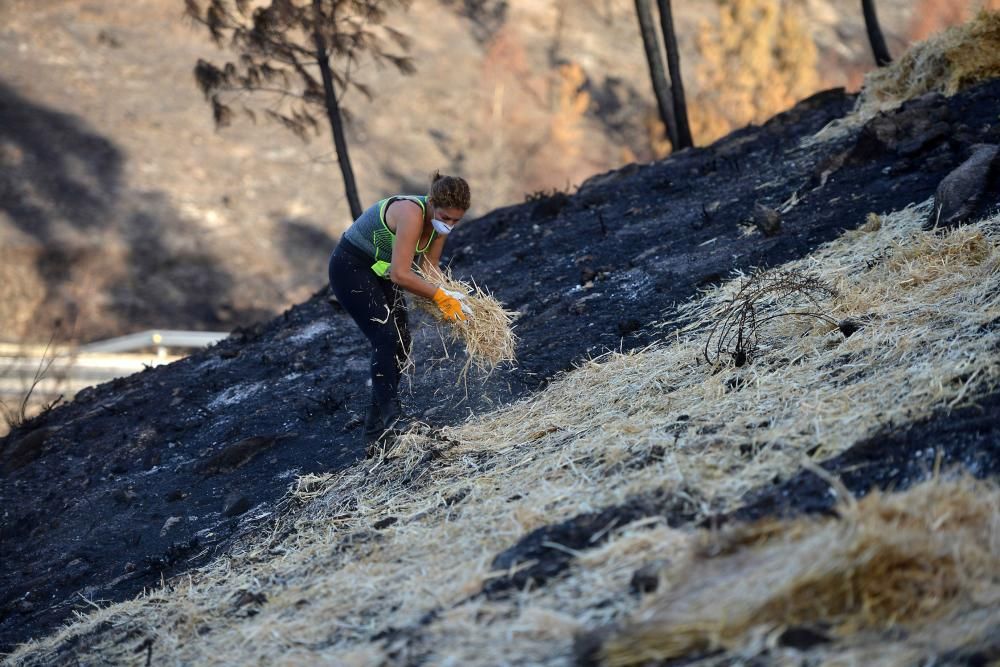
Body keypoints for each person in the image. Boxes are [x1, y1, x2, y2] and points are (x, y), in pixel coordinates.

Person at [328, 172, 472, 454]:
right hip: (351, 267)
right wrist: (439, 296)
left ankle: (375, 433)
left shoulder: (437, 224)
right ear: (431, 202)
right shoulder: (411, 213)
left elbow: (429, 267)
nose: (449, 225)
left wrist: (453, 296)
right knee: (385, 339)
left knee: (402, 343)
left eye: (456, 220)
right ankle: (395, 422)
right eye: (445, 217)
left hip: (379, 272)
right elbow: (401, 274)